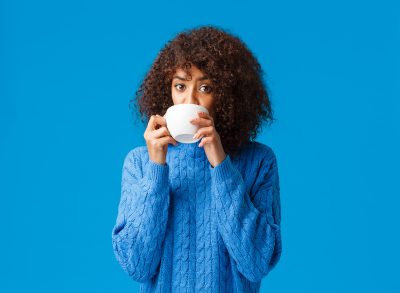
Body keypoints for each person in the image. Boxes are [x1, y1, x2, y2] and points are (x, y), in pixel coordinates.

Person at [111, 25, 282, 292]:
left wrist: (221, 164)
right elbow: (136, 264)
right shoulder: (140, 162)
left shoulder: (258, 161)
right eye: (180, 85)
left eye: (205, 87)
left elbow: (257, 263)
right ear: (166, 90)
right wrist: (157, 168)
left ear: (226, 96)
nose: (188, 100)